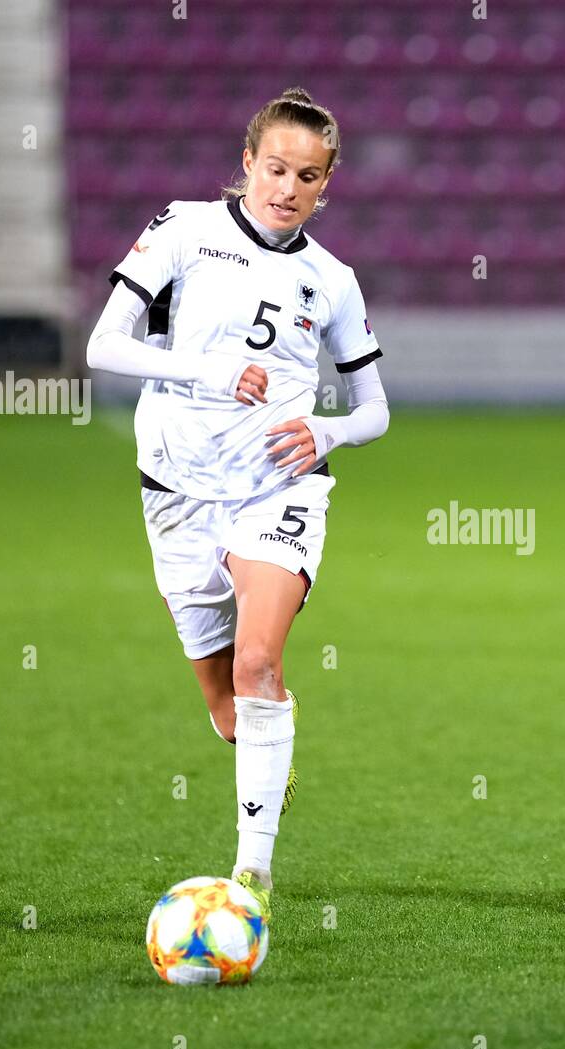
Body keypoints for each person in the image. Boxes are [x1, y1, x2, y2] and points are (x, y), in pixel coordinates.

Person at [86, 88, 389, 925]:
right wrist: (204, 370)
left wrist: (328, 436)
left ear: (327, 186)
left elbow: (376, 408)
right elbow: (102, 346)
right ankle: (262, 745)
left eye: (310, 177)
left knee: (260, 664)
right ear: (248, 163)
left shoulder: (331, 280)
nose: (289, 188)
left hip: (276, 488)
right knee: (227, 707)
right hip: (178, 491)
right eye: (278, 169)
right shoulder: (184, 230)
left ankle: (251, 875)